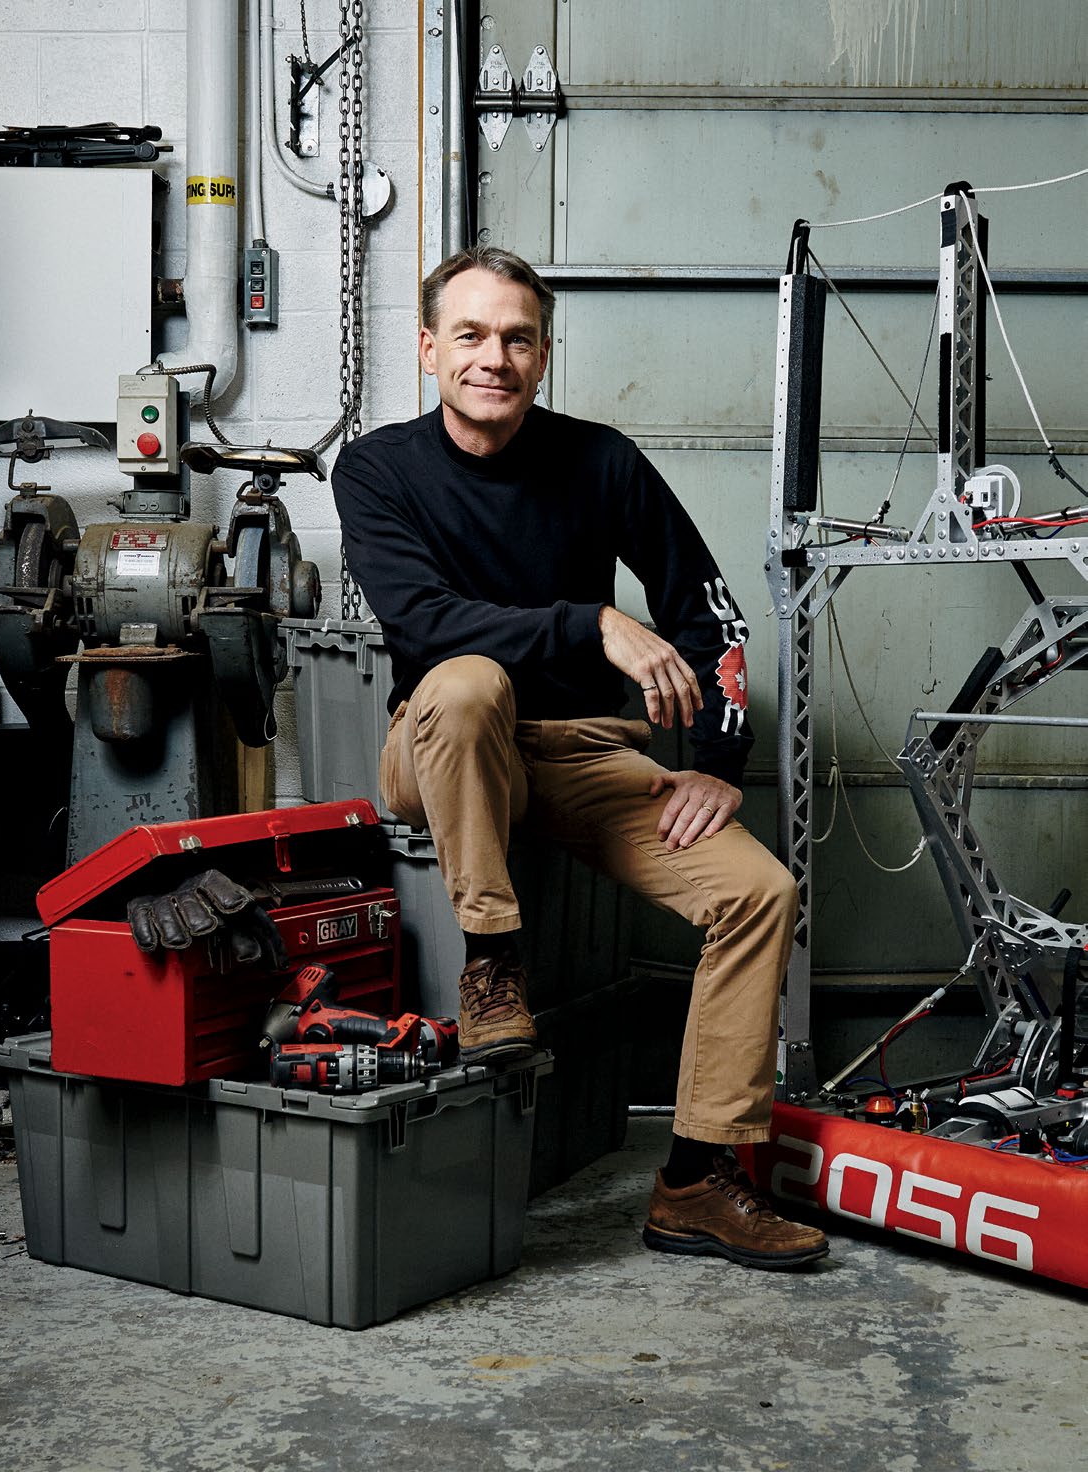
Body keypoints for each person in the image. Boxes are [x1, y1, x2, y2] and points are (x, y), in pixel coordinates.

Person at [332, 245, 827, 1270]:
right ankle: (490, 963)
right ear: (429, 347)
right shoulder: (378, 467)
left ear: (543, 354)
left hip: (578, 755)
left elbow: (711, 612)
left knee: (757, 890)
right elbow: (424, 627)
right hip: (441, 745)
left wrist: (717, 766)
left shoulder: (600, 461)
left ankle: (694, 1180)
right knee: (467, 681)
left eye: (516, 337)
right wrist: (590, 621)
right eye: (468, 334)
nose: (492, 357)